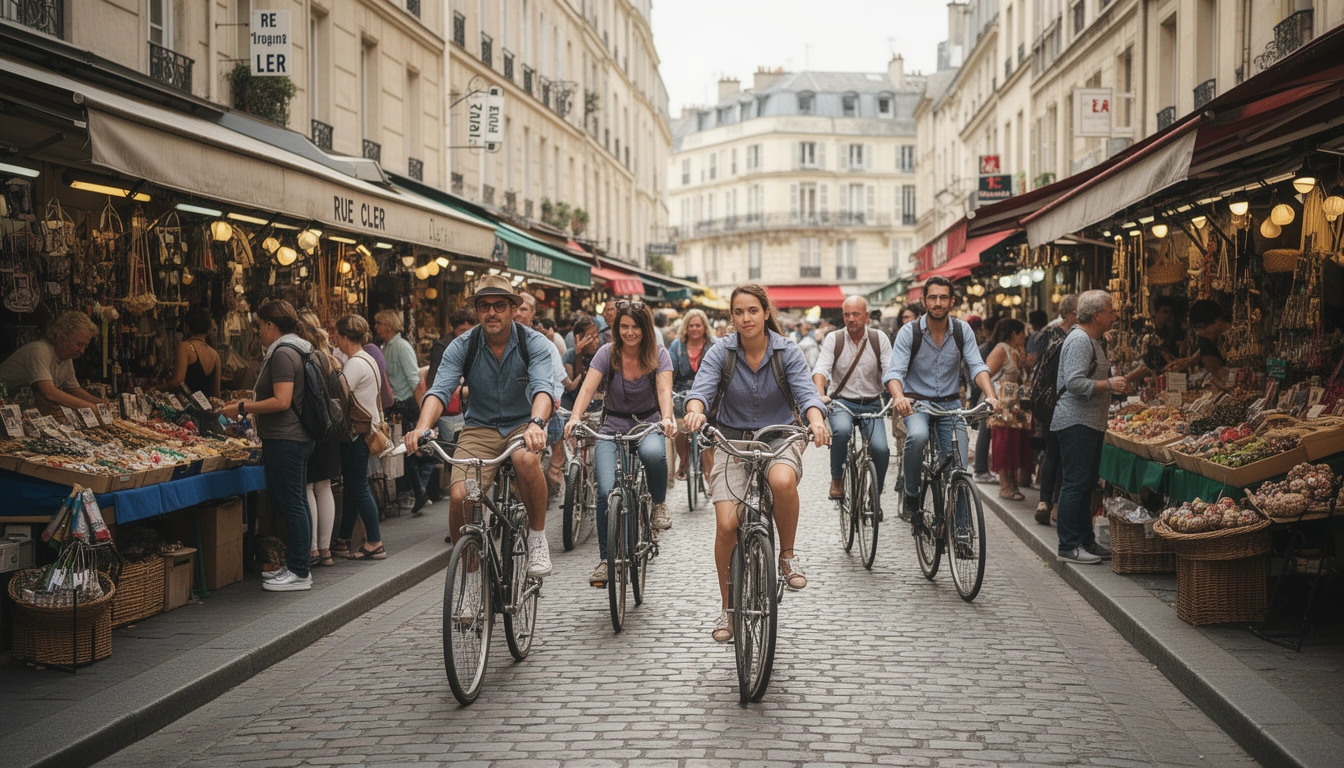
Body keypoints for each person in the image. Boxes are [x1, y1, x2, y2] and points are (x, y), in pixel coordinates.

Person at [683, 284, 830, 643]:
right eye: (738, 312)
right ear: (731, 317)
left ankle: (788, 555)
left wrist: (816, 419)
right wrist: (694, 411)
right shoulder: (722, 351)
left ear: (766, 313)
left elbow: (806, 392)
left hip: (778, 437)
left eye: (752, 310)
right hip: (731, 441)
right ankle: (728, 609)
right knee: (726, 524)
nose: (745, 318)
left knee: (781, 482)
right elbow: (701, 389)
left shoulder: (787, 350)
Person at [407, 275, 560, 577]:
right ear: (476, 311)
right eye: (484, 306)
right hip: (480, 427)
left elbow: (544, 387)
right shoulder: (462, 346)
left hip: (523, 424)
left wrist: (537, 423)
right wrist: (421, 427)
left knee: (526, 459)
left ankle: (537, 538)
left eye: (499, 305)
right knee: (459, 495)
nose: (492, 312)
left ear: (513, 309)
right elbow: (439, 390)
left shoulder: (534, 344)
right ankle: (469, 575)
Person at [565, 301, 676, 585]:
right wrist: (575, 417)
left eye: (635, 326)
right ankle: (606, 559)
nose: (629, 332)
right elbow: (588, 387)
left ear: (645, 329)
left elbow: (664, 389)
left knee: (653, 454)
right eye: (624, 326)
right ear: (617, 328)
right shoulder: (607, 353)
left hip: (647, 423)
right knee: (606, 490)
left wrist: (666, 418)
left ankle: (659, 504)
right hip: (612, 425)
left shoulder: (659, 354)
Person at [885, 275, 1000, 527]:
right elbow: (894, 372)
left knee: (958, 468)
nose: (938, 303)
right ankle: (912, 494)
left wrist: (990, 395)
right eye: (933, 297)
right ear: (924, 300)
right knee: (917, 437)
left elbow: (977, 365)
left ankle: (961, 531)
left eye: (943, 297)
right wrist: (899, 397)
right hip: (917, 404)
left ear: (952, 301)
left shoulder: (961, 330)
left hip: (951, 405)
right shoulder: (910, 331)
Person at [221, 300, 315, 592]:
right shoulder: (295, 348)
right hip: (291, 437)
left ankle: (300, 571)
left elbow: (282, 400)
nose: (259, 331)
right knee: (294, 499)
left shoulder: (284, 353)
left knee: (292, 502)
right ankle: (298, 565)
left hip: (287, 438)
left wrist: (243, 406)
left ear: (272, 326)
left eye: (260, 325)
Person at [1053, 290, 1128, 564]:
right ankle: (1068, 545)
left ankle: (1085, 541)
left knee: (1085, 484)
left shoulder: (1095, 340)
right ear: (1097, 315)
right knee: (1075, 483)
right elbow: (1074, 383)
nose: (1114, 316)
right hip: (1076, 422)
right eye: (1110, 311)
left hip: (1089, 422)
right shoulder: (1080, 340)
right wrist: (1109, 385)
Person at [812, 295, 893, 504]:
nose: (850, 319)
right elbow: (821, 368)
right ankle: (837, 478)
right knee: (841, 431)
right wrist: (821, 393)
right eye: (846, 314)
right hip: (842, 402)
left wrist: (897, 394)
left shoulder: (879, 338)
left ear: (866, 316)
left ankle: (874, 494)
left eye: (856, 314)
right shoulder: (834, 339)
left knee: (881, 449)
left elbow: (890, 372)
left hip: (872, 402)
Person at [330, 314, 388, 561]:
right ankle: (344, 539)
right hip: (366, 430)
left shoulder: (355, 363)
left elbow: (340, 395)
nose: (335, 340)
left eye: (337, 336)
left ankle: (374, 541)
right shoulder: (368, 358)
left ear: (344, 337)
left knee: (358, 487)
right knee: (354, 486)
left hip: (356, 432)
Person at [296, 316, 341, 568]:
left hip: (313, 427)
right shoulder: (329, 358)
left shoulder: (307, 359)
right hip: (330, 429)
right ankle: (325, 550)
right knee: (324, 488)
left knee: (308, 488)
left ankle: (312, 549)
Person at [376, 309, 429, 515]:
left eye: (379, 323)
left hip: (407, 404)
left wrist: (424, 411)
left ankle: (419, 491)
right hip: (399, 404)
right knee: (405, 450)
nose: (376, 327)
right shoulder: (388, 347)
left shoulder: (401, 346)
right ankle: (416, 491)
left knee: (408, 450)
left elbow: (414, 381)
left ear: (388, 325)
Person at [0, 311, 107, 409]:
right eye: (79, 344)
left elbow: (74, 389)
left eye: (85, 346)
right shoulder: (39, 350)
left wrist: (98, 402)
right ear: (62, 336)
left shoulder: (66, 357)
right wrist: (89, 406)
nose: (82, 350)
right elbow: (49, 392)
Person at [1033, 294, 1078, 525]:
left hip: (1048, 401)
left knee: (1052, 451)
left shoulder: (1047, 334)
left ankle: (1043, 501)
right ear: (1071, 313)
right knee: (1063, 454)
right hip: (1065, 399)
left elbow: (1035, 364)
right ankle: (1057, 506)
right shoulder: (1077, 337)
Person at [517, 293, 569, 491]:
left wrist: (549, 404)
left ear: (532, 314)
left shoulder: (546, 346)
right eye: (516, 309)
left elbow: (557, 382)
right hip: (509, 412)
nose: (518, 314)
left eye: (524, 309)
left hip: (538, 413)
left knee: (531, 457)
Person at [984, 318, 1032, 501]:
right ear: (1015, 334)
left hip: (1014, 404)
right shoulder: (1000, 350)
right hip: (1003, 403)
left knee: (1014, 443)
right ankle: (1005, 485)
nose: (1024, 337)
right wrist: (992, 397)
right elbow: (985, 374)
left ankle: (1012, 483)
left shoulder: (1016, 351)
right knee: (1004, 443)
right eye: (1022, 333)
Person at [668, 308, 715, 483]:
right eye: (691, 325)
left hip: (707, 392)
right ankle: (683, 461)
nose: (695, 328)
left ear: (704, 327)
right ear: (686, 327)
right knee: (680, 428)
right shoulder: (677, 345)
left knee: (708, 432)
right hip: (681, 393)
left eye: (698, 325)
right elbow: (669, 371)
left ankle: (710, 474)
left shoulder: (713, 344)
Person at [156, 307, 221, 397]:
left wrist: (156, 389)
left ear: (186, 326)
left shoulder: (184, 347)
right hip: (208, 408)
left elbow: (177, 381)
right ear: (208, 329)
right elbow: (216, 393)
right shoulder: (215, 354)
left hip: (188, 408)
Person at [1187, 299, 1231, 390]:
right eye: (1198, 329)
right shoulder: (1206, 341)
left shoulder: (1237, 334)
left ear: (1217, 320)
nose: (1202, 332)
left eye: (1203, 327)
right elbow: (1220, 376)